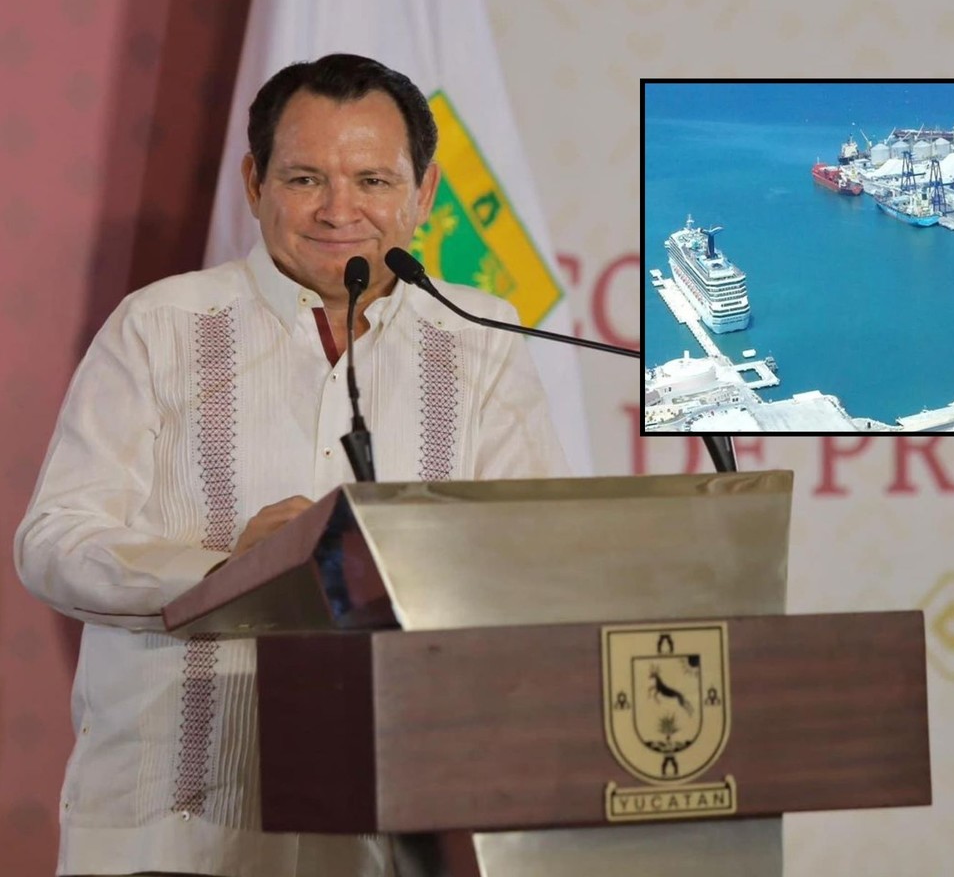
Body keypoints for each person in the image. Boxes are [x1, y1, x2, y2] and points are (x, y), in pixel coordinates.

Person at [15, 54, 568, 876]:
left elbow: (537, 560)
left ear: (422, 194)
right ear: (254, 182)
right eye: (306, 177)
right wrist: (228, 571)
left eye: (373, 180)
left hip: (403, 818)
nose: (339, 210)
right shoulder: (159, 327)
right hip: (180, 821)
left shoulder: (482, 338)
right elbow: (53, 544)